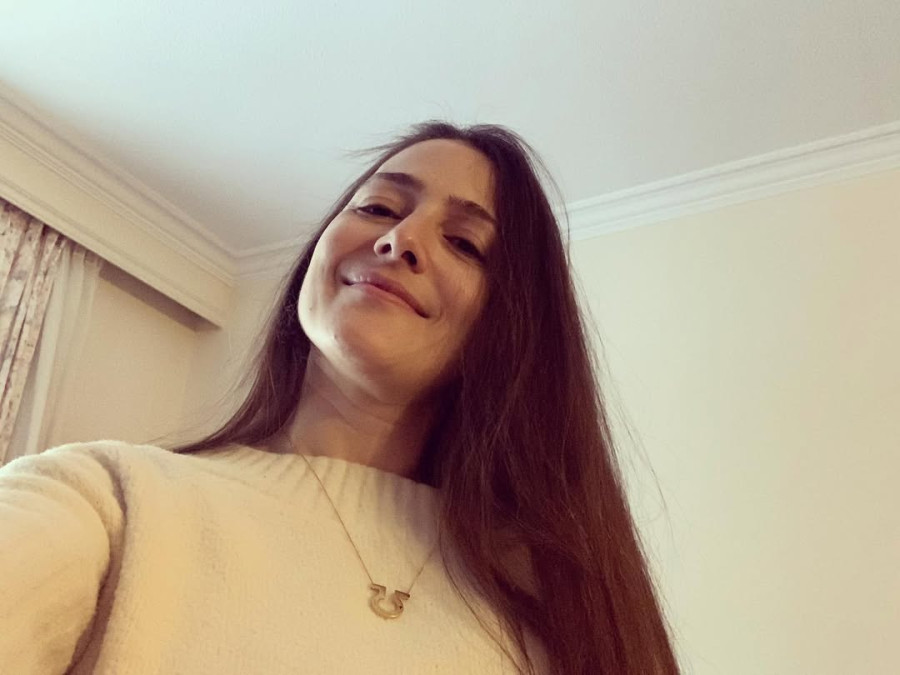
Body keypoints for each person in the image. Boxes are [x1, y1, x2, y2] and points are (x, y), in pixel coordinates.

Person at [0, 121, 680, 674]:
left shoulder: (556, 605)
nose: (400, 239)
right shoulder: (108, 500)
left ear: (509, 328)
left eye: (465, 243)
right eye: (378, 208)